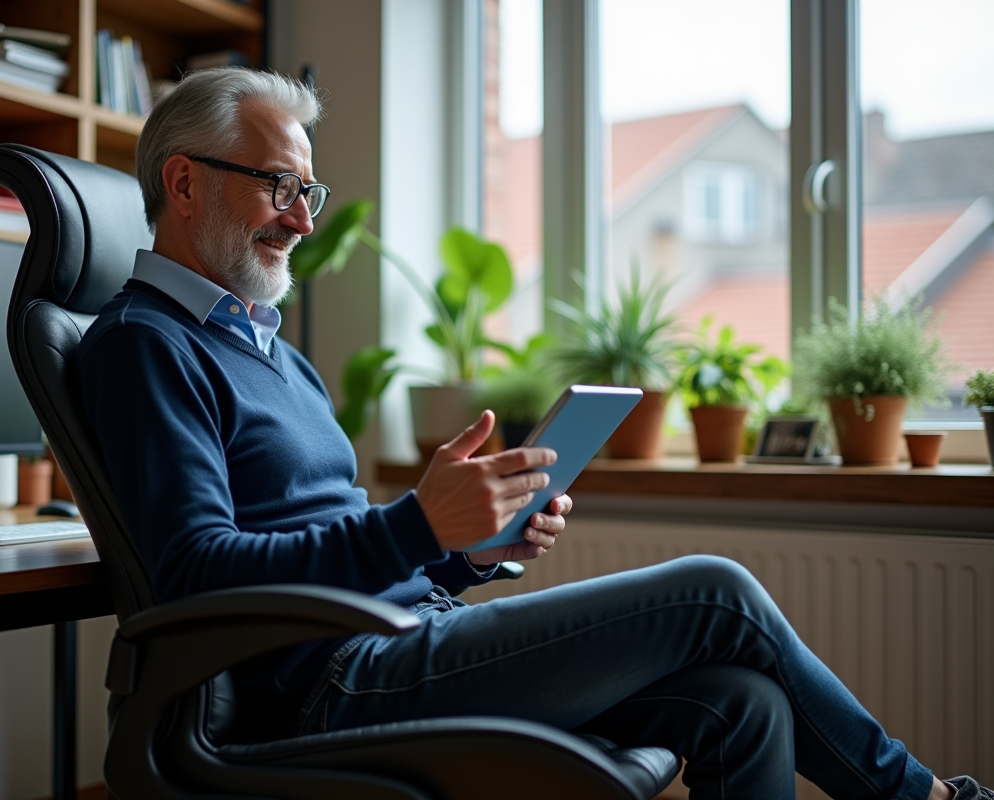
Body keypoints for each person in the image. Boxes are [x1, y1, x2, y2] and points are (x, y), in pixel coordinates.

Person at [75, 67, 989, 800]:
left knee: (739, 703)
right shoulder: (144, 347)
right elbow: (195, 577)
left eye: (308, 189)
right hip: (328, 684)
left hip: (399, 634)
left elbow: (340, 548)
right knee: (717, 591)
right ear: (184, 182)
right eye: (280, 185)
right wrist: (416, 526)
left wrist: (465, 552)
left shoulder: (273, 352)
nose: (304, 218)